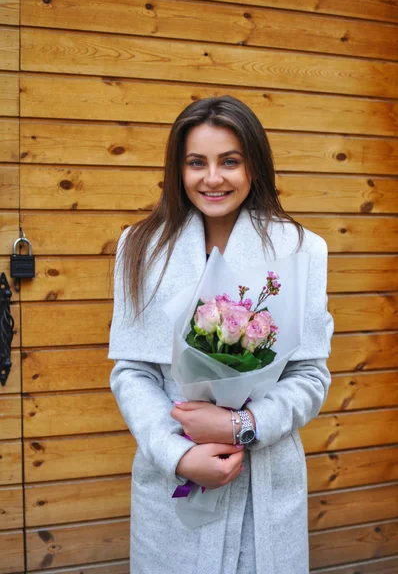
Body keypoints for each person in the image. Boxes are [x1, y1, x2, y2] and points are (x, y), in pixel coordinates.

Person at [109, 95, 333, 574]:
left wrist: (242, 426)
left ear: (253, 166)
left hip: (265, 486)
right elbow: (132, 371)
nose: (213, 178)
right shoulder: (140, 247)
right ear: (179, 169)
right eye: (197, 163)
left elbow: (310, 376)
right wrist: (179, 453)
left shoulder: (301, 250)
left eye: (229, 161)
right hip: (174, 484)